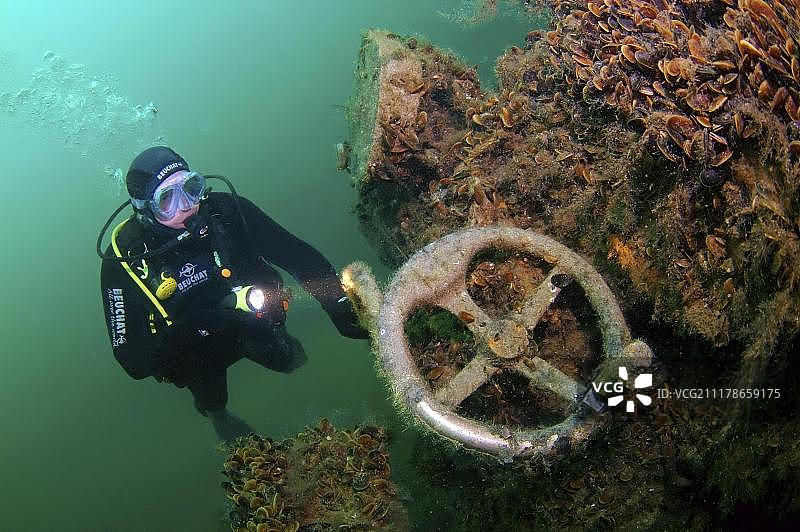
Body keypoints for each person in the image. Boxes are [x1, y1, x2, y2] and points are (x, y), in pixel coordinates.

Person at [98, 146, 368, 441]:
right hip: (198, 354)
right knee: (212, 397)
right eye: (167, 199)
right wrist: (186, 333)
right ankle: (218, 415)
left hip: (254, 320)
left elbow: (295, 254)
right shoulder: (124, 260)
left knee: (289, 360)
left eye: (190, 188)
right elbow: (130, 358)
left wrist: (337, 302)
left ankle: (275, 353)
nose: (187, 205)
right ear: (145, 211)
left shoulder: (225, 211)